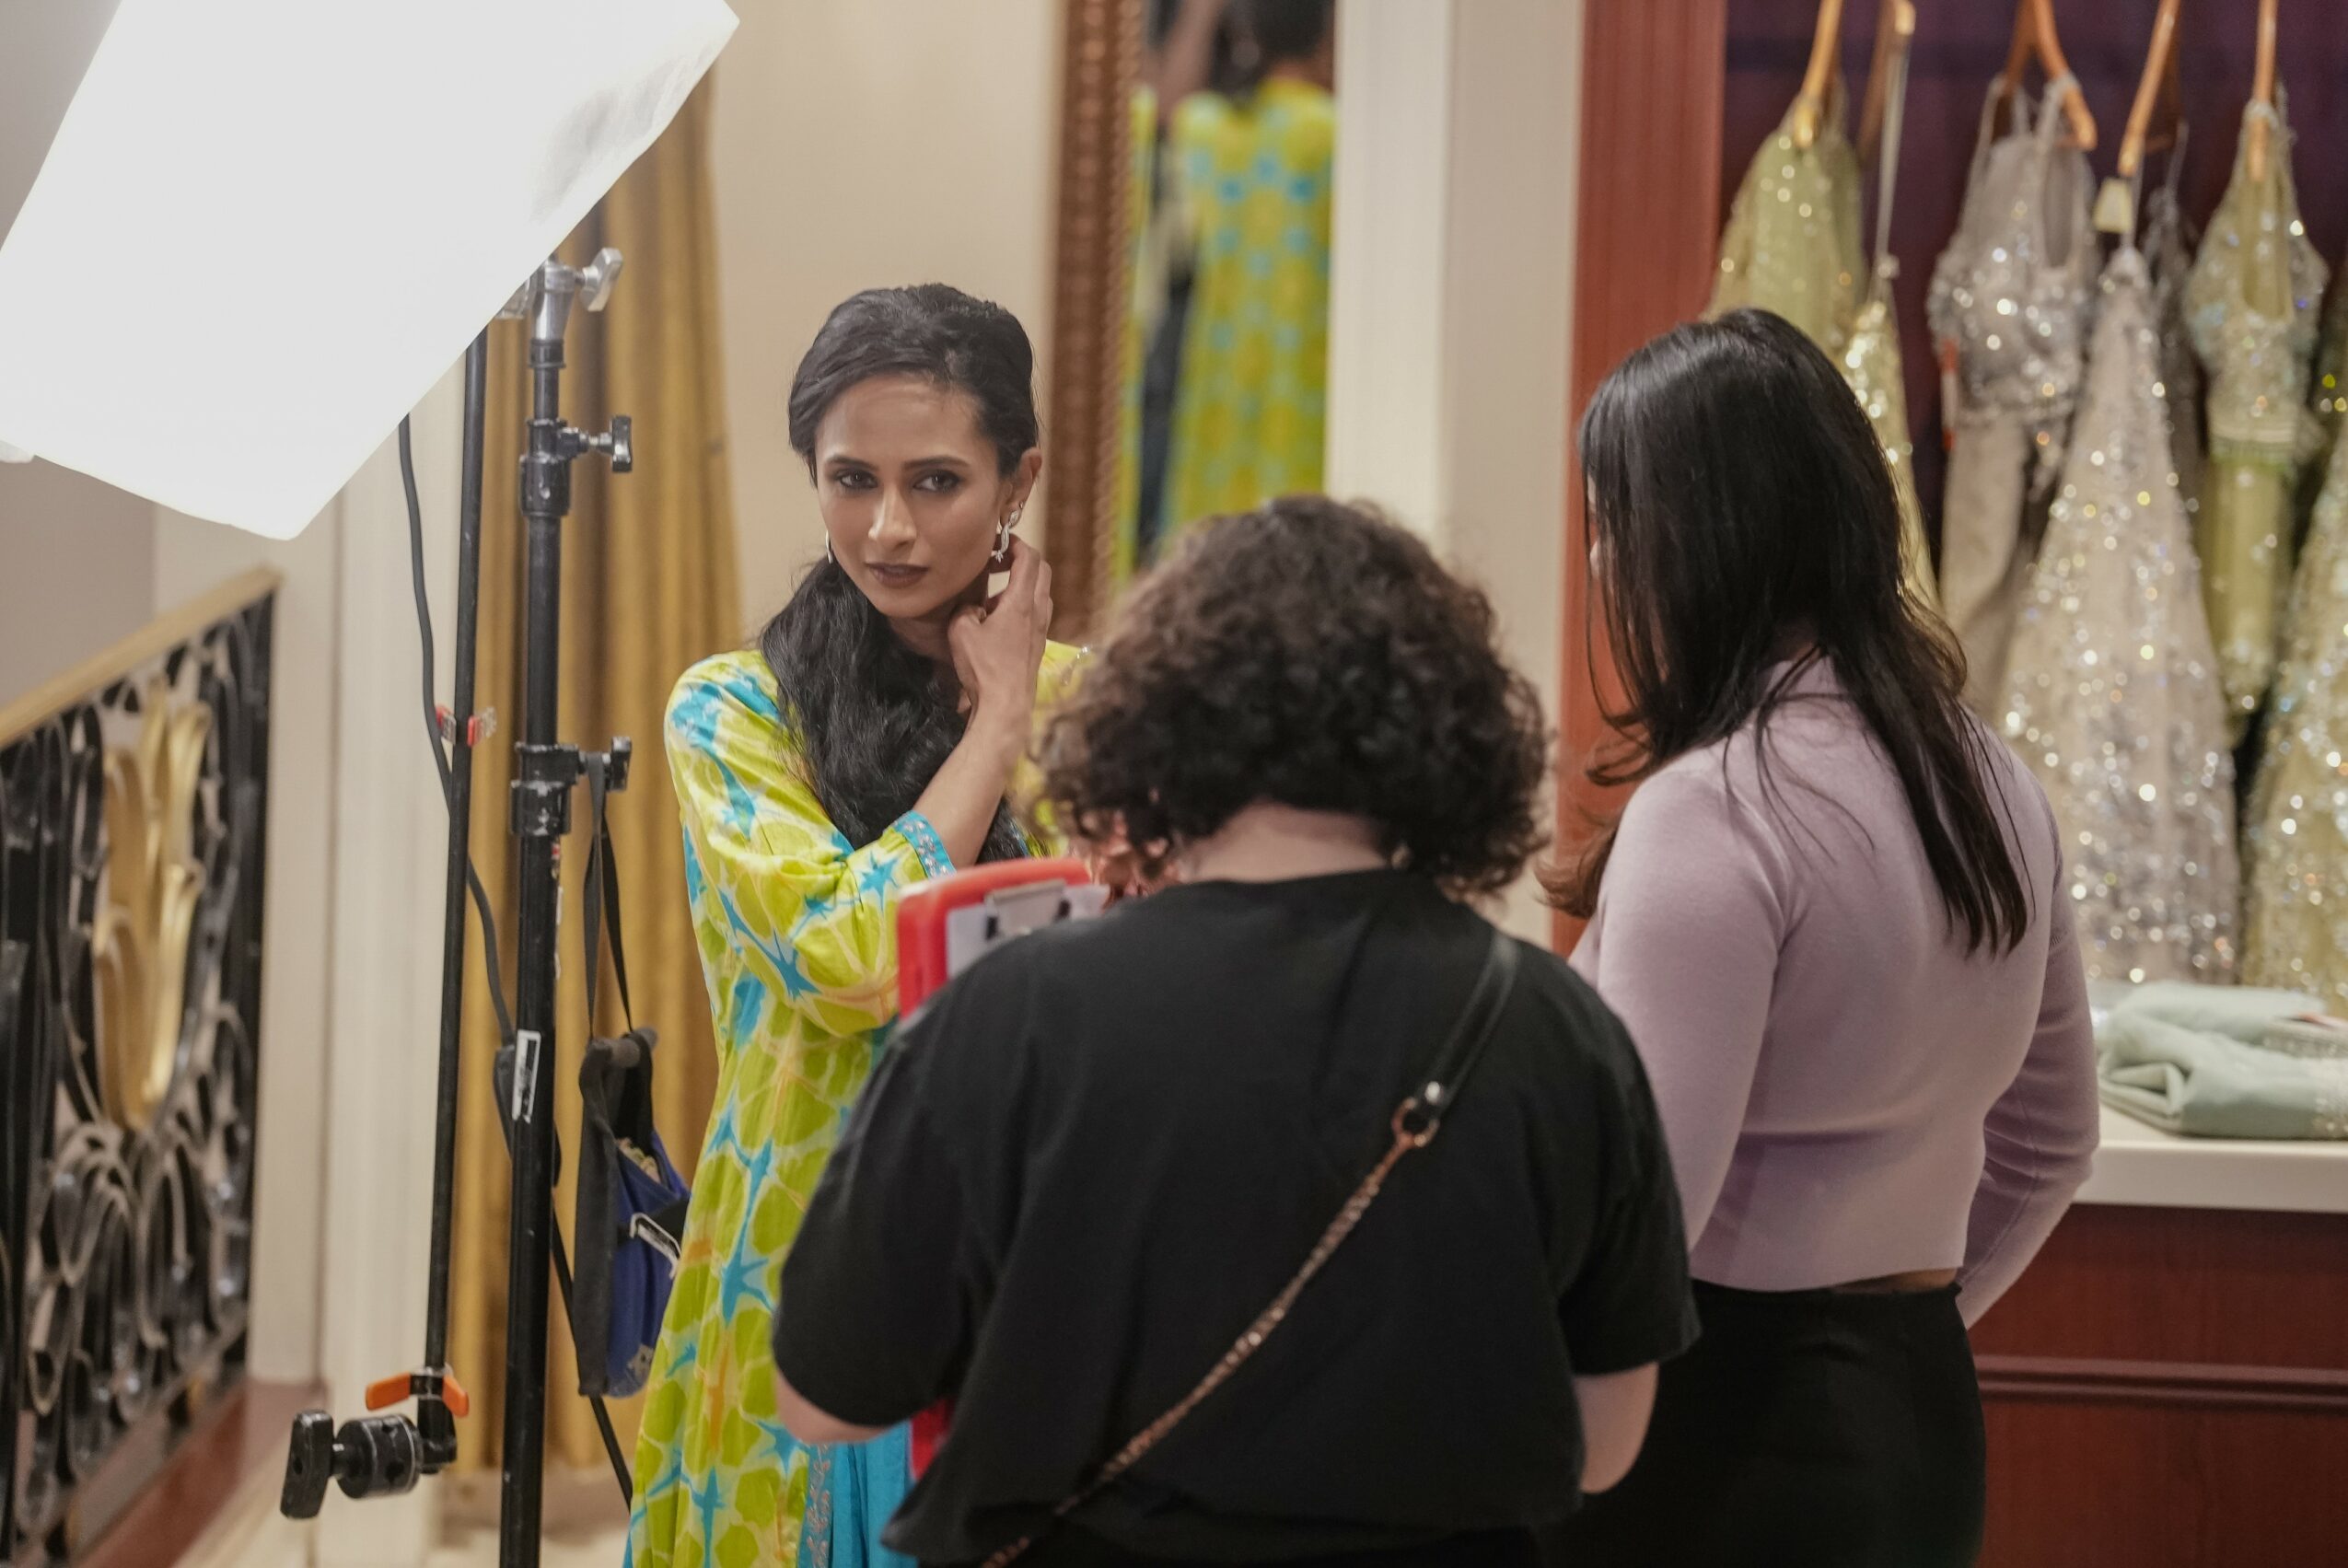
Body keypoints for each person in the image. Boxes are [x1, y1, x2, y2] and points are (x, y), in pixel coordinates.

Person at [766, 497, 1700, 1567]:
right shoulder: (1556, 1024)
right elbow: (1605, 1444)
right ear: (1456, 738)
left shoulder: (1007, 1015)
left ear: (1157, 721)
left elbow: (822, 1396)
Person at [1543, 309, 2099, 1568]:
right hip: (1916, 1403)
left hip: (1721, 1428)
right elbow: (2054, 1133)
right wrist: (1907, 1319)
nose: (1598, 558)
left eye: (1608, 520)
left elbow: (1644, 1217)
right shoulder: (1990, 774)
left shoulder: (1718, 800)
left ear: (1685, 540)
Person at [627, 285, 1082, 1568]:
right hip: (803, 1242)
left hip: (1026, 1244)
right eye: (850, 478)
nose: (886, 526)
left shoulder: (1095, 705)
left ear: (1017, 481)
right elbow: (849, 958)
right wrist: (992, 725)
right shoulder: (731, 711)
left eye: (936, 480)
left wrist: (1024, 705)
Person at [1159, 0, 1336, 540]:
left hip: (1218, 367)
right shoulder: (1333, 133)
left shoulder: (1205, 128)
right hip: (1308, 366)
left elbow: (1164, 110)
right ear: (1325, 36)